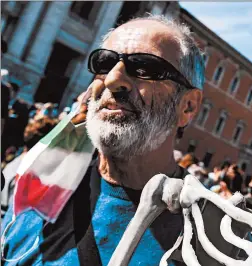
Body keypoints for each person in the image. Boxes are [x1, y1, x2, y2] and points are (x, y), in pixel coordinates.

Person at [1, 14, 204, 265]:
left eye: (144, 68)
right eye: (104, 63)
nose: (112, 79)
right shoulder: (36, 178)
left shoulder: (207, 237)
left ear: (188, 106)